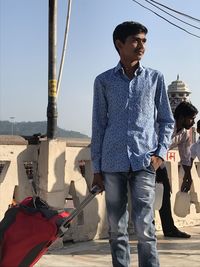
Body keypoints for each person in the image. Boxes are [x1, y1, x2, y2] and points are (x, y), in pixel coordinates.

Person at [91, 21, 174, 267]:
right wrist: (97, 168)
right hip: (112, 162)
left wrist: (159, 153)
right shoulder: (103, 81)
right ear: (120, 44)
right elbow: (98, 125)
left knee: (145, 229)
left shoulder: (155, 78)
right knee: (116, 229)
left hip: (144, 162)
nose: (142, 46)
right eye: (136, 40)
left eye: (144, 41)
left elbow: (166, 120)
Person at [156, 101, 198, 238]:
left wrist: (188, 176)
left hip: (159, 164)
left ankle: (169, 229)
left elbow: (185, 157)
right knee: (147, 196)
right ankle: (147, 228)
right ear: (181, 117)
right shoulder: (164, 126)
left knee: (165, 192)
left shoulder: (184, 134)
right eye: (191, 118)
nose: (193, 122)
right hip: (146, 161)